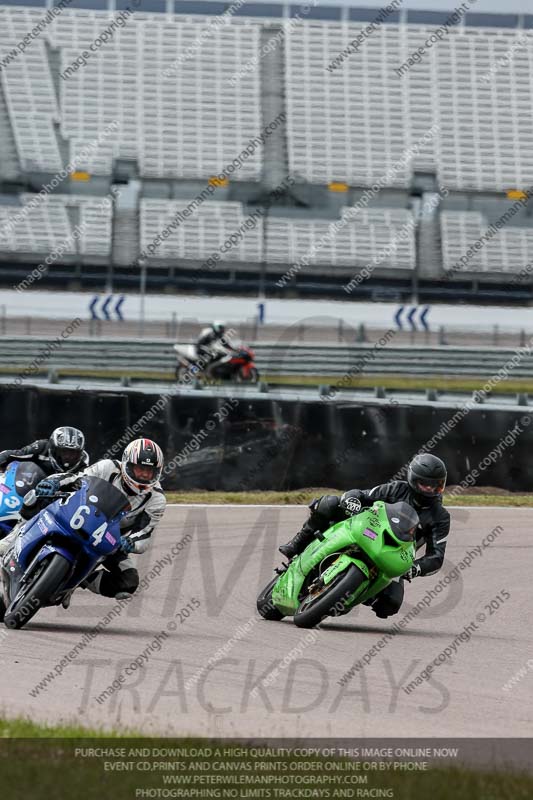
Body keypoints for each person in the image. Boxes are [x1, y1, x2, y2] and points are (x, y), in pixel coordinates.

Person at [278, 454, 450, 619]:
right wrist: (352, 500)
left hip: (394, 555)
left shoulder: (440, 516)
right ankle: (298, 542)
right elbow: (363, 494)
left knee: (389, 605)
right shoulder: (397, 488)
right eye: (425, 484)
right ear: (413, 479)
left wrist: (416, 568)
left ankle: (357, 591)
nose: (431, 489)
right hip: (368, 531)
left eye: (436, 485)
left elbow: (436, 556)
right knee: (329, 504)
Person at [0, 438, 166, 604]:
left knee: (128, 581)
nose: (144, 475)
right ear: (128, 464)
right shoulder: (108, 467)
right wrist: (54, 482)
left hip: (108, 540)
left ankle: (82, 578)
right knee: (36, 497)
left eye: (150, 471)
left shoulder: (157, 499)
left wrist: (131, 542)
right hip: (77, 515)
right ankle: (14, 536)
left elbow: (144, 534)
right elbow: (78, 479)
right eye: (140, 468)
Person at [0, 426, 88, 475]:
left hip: (61, 499)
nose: (68, 457)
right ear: (53, 448)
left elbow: (85, 483)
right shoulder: (41, 447)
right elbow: (12, 455)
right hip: (31, 491)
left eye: (73, 452)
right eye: (64, 451)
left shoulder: (84, 460)